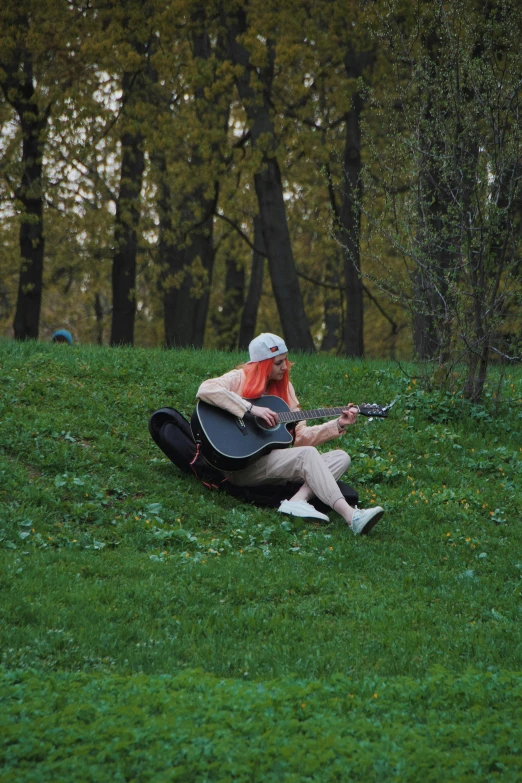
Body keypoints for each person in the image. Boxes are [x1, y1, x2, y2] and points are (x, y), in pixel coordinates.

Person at [196, 332, 384, 535]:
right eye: (278, 363)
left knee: (341, 458)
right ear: (262, 364)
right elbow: (206, 389)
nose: (285, 367)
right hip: (240, 466)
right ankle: (351, 517)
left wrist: (337, 424)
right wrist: (251, 409)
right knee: (308, 455)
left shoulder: (286, 390)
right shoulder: (239, 378)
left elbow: (301, 437)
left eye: (285, 360)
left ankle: (297, 501)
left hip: (271, 463)